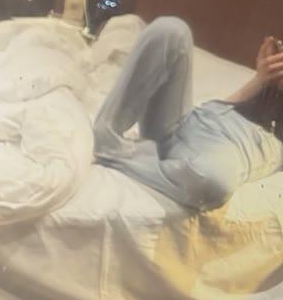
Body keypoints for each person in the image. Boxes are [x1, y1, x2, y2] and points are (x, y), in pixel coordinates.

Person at [93, 15, 283, 210]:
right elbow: (225, 104)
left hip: (213, 156)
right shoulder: (265, 92)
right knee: (172, 30)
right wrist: (260, 79)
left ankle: (117, 157)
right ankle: (106, 134)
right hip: (187, 122)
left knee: (214, 182)